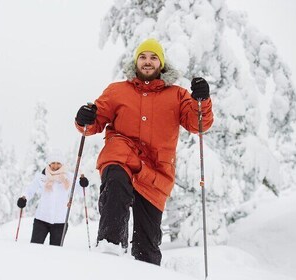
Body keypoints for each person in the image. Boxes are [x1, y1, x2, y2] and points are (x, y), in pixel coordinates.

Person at [74, 38, 214, 265]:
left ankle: (146, 271)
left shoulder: (177, 95)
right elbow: (93, 123)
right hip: (122, 157)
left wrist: (202, 100)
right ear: (135, 61)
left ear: (161, 63)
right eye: (143, 57)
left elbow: (198, 124)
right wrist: (85, 118)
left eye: (153, 57)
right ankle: (110, 249)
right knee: (117, 181)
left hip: (156, 174)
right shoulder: (117, 91)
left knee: (146, 246)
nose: (147, 62)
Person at [17, 149, 85, 245]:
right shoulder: (42, 177)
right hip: (41, 220)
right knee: (34, 249)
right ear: (49, 163)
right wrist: (23, 198)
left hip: (60, 222)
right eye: (53, 163)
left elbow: (82, 191)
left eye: (58, 163)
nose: (55, 166)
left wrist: (83, 183)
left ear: (62, 164)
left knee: (55, 254)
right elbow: (30, 190)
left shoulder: (69, 177)